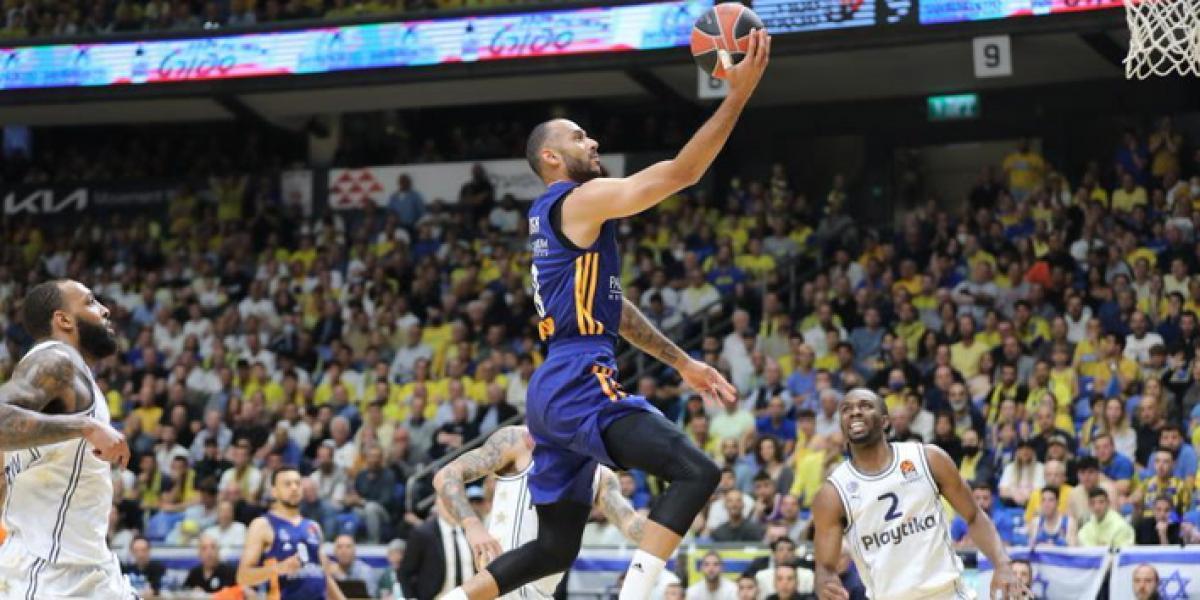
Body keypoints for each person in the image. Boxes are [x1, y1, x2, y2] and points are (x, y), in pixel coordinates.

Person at [445, 28, 770, 600]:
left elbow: (612, 310)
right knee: (697, 471)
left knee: (554, 549)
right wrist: (738, 95)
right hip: (577, 379)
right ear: (552, 157)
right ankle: (637, 594)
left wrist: (683, 362)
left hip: (551, 388)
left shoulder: (555, 217)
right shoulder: (577, 199)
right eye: (578, 137)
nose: (591, 141)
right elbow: (680, 174)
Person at [812, 388, 1025, 600]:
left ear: (885, 422)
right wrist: (824, 583)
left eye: (865, 406)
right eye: (846, 409)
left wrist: (1002, 564)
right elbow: (825, 566)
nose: (855, 412)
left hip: (947, 594)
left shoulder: (927, 459)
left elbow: (974, 515)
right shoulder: (832, 493)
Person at [0, 280, 134, 598]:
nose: (105, 309)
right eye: (90, 302)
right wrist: (84, 427)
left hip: (85, 570)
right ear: (64, 319)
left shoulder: (69, 374)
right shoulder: (56, 360)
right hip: (52, 577)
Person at [433, 425, 646, 599]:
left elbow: (631, 524)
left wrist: (672, 519)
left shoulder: (600, 475)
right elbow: (447, 475)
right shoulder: (517, 440)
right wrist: (472, 524)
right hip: (495, 588)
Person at [237, 467, 346, 599]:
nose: (294, 488)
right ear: (274, 492)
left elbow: (323, 576)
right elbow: (243, 577)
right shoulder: (262, 525)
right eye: (287, 484)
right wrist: (278, 568)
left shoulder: (313, 526)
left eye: (297, 483)